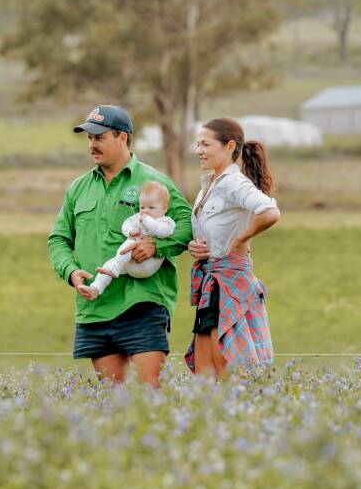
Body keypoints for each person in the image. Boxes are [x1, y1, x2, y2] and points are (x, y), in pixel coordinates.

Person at [48, 105, 192, 387]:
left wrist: (156, 247)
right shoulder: (78, 189)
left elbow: (187, 225)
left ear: (123, 137)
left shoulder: (154, 182)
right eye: (89, 138)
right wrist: (70, 271)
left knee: (149, 393)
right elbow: (59, 239)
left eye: (99, 137)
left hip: (142, 302)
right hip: (95, 305)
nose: (92, 145)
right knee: (113, 399)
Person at [184, 117, 281, 378]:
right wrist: (196, 246)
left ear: (229, 146)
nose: (198, 150)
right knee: (205, 374)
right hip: (211, 283)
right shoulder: (209, 185)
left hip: (228, 283)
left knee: (229, 370)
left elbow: (270, 212)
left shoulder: (233, 183)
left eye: (205, 144)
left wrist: (240, 240)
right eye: (197, 144)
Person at [86, 181, 177, 300]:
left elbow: (163, 232)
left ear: (164, 208)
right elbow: (126, 224)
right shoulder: (139, 217)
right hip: (129, 263)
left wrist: (147, 221)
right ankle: (96, 288)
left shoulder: (166, 221)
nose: (145, 211)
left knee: (130, 244)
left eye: (151, 207)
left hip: (147, 264)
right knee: (109, 264)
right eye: (142, 207)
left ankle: (115, 269)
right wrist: (130, 231)